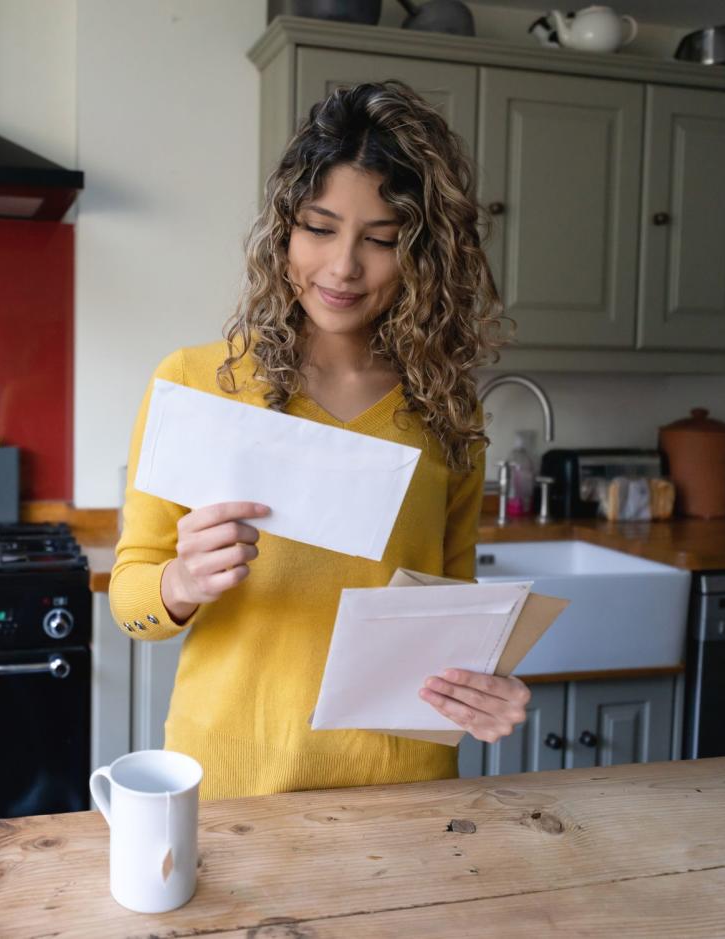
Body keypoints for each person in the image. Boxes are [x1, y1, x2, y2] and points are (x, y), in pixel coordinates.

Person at [110, 81, 528, 800]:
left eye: (381, 239)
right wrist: (178, 584)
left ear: (422, 255)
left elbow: (449, 610)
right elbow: (131, 601)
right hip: (231, 783)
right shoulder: (195, 383)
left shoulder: (446, 409)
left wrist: (481, 686)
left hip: (401, 786)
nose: (342, 267)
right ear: (283, 230)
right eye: (319, 226)